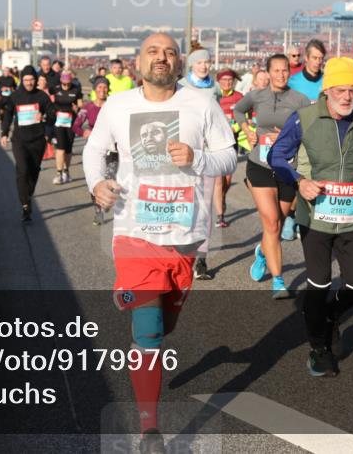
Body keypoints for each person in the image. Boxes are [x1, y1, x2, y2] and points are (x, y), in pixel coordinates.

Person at [84, 32, 236, 450]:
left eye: (170, 52)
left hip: (185, 235)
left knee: (166, 323)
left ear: (179, 62)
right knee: (148, 331)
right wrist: (97, 183)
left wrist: (198, 158)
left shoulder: (201, 103)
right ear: (139, 61)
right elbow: (94, 150)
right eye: (153, 51)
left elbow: (229, 154)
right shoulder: (118, 105)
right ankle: (150, 428)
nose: (162, 58)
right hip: (133, 231)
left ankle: (146, 309)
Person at [269, 57, 353, 377]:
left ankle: (331, 317)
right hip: (315, 217)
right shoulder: (305, 117)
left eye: (352, 89)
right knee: (319, 284)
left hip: (352, 216)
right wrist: (300, 182)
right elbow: (277, 156)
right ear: (327, 92)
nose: (347, 96)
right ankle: (318, 349)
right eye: (340, 89)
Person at [232, 54, 311, 297]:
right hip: (260, 165)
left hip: (287, 168)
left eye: (285, 70)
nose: (281, 74)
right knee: (272, 222)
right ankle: (278, 281)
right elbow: (238, 110)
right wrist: (247, 129)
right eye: (276, 70)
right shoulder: (257, 96)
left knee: (275, 226)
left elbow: (310, 129)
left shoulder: (300, 99)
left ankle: (263, 252)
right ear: (268, 72)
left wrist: (289, 137)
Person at [178, 47, 222, 280]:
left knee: (205, 208)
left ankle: (201, 260)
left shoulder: (214, 87)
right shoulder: (181, 86)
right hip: (185, 153)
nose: (204, 66)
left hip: (208, 154)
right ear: (191, 65)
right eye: (200, 63)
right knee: (184, 204)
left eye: (207, 62)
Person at [0, 65, 57, 221]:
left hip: (38, 140)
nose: (29, 83)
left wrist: (44, 117)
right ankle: (25, 205)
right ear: (22, 80)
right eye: (26, 80)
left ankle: (28, 195)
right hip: (19, 139)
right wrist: (4, 133)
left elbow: (53, 116)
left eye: (32, 79)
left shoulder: (42, 97)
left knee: (34, 171)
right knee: (22, 170)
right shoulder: (15, 96)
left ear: (36, 80)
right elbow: (7, 115)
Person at [75, 76, 116, 226]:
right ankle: (98, 211)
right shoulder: (88, 107)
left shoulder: (113, 105)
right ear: (94, 89)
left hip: (113, 150)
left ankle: (117, 211)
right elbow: (76, 125)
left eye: (105, 87)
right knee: (96, 180)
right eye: (99, 87)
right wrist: (83, 133)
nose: (102, 90)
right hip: (95, 150)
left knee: (112, 180)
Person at [214, 69, 244, 227]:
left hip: (232, 142)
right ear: (218, 81)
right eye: (224, 80)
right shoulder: (213, 97)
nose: (227, 83)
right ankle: (220, 215)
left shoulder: (239, 97)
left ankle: (223, 196)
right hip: (214, 144)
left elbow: (245, 117)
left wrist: (237, 128)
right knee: (218, 180)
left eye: (230, 80)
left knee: (227, 180)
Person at [51, 70, 83, 185]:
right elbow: (50, 100)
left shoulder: (76, 89)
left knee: (68, 148)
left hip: (71, 121)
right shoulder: (56, 89)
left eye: (68, 82)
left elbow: (80, 104)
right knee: (61, 147)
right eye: (64, 83)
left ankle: (66, 172)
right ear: (61, 80)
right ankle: (59, 173)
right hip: (59, 121)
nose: (66, 85)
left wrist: (77, 108)